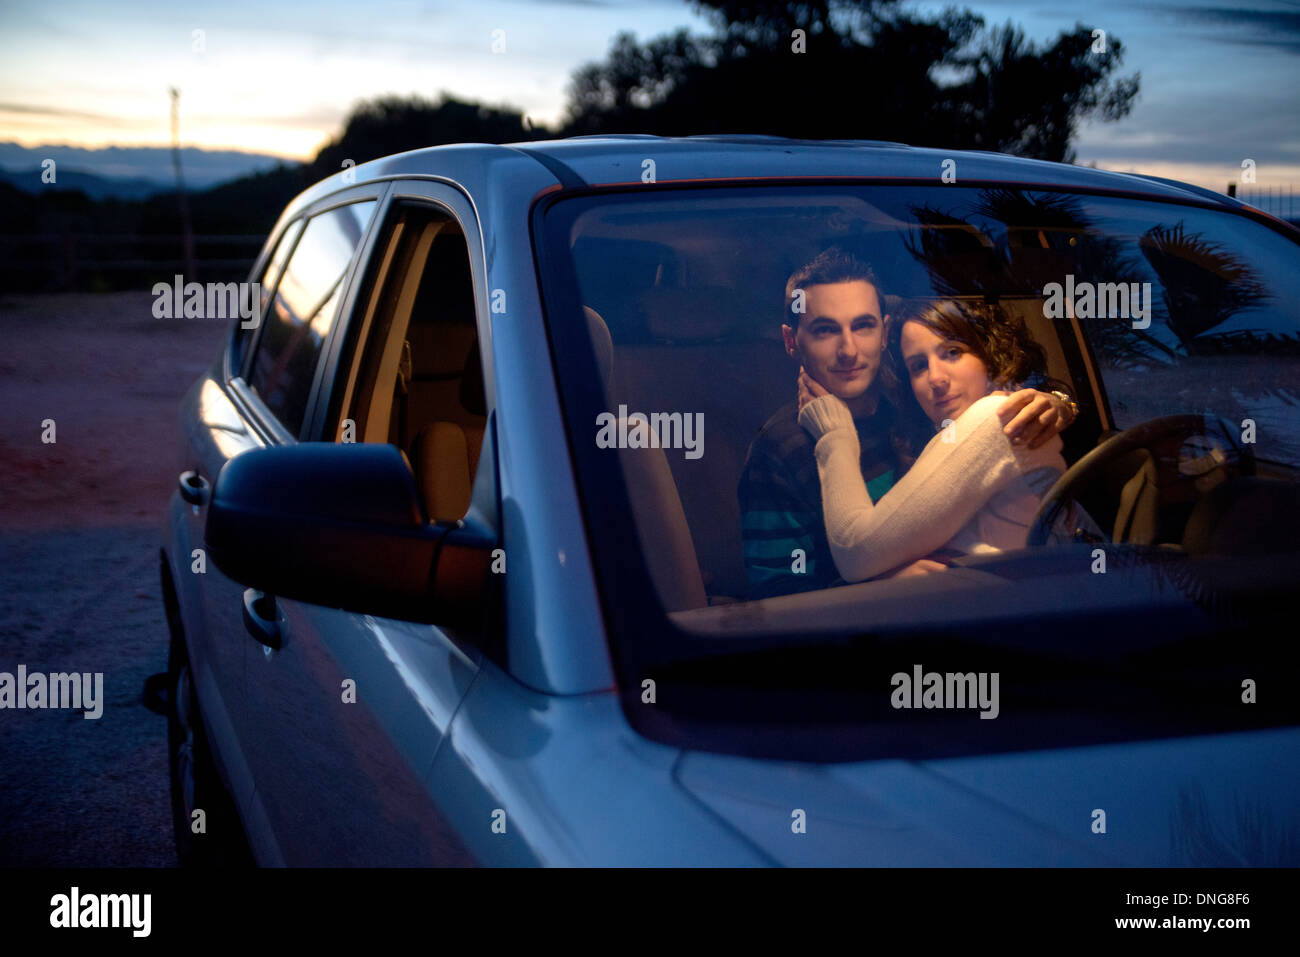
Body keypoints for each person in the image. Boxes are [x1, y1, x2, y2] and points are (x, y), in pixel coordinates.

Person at [738, 247, 1075, 599]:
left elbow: (989, 423)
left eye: (863, 326)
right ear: (792, 342)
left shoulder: (910, 408)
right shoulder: (779, 448)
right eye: (825, 330)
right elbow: (775, 597)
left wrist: (1058, 401)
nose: (849, 350)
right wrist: (878, 588)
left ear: (884, 334)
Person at [796, 297, 1078, 583]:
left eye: (953, 352)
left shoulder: (995, 416)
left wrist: (834, 437)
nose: (936, 378)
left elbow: (854, 551)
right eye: (919, 366)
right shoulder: (949, 435)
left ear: (988, 357)